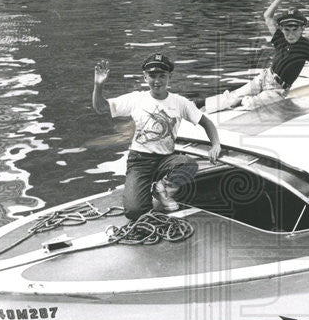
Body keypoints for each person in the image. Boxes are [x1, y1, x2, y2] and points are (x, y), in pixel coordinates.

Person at [92, 53, 221, 218]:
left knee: (189, 164)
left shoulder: (180, 102)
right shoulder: (136, 99)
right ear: (145, 77)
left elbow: (206, 122)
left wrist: (216, 144)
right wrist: (98, 85)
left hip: (165, 159)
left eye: (162, 75)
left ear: (170, 77)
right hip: (139, 161)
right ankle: (142, 188)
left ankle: (162, 188)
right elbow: (100, 107)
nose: (157, 80)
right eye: (152, 75)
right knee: (135, 212)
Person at [215, 0, 309, 111]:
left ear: (302, 29)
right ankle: (201, 107)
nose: (290, 34)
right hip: (264, 78)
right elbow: (267, 16)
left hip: (277, 89)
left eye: (295, 29)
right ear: (282, 29)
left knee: (250, 105)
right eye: (287, 29)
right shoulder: (280, 38)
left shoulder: (305, 45)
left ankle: (239, 102)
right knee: (232, 96)